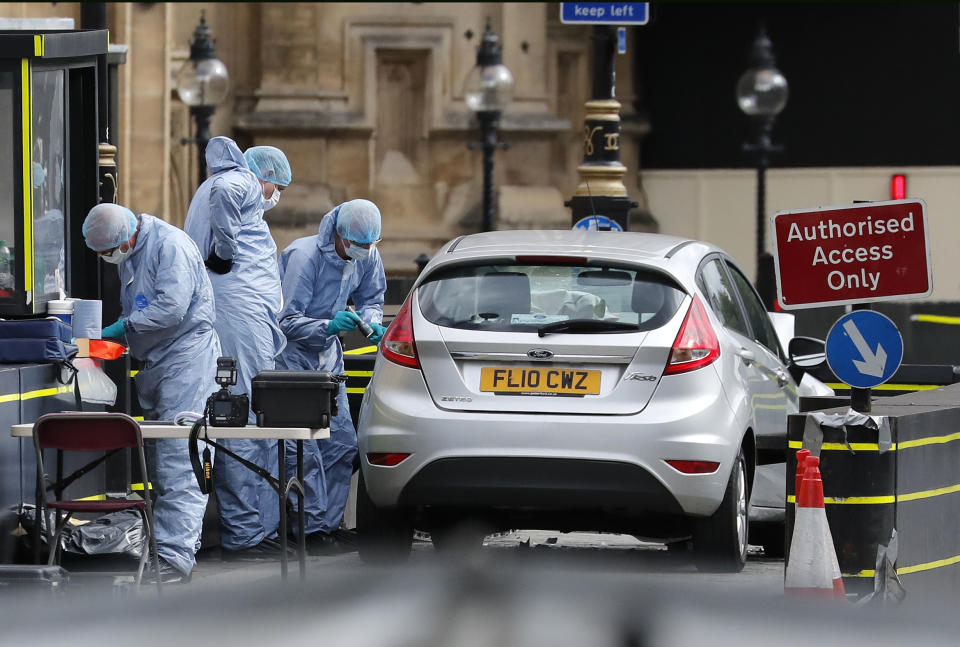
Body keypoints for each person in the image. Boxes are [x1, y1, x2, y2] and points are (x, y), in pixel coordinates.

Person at [82, 203, 221, 584]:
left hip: (186, 362)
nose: (108, 259)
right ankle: (166, 550)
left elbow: (172, 309)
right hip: (160, 363)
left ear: (125, 237)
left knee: (182, 459)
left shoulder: (170, 246)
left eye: (107, 252)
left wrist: (122, 328)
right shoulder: (134, 251)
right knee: (162, 464)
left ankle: (175, 560)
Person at [184, 137, 291, 560]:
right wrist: (225, 251)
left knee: (236, 415)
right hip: (241, 318)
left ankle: (247, 530)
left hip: (236, 314)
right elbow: (231, 195)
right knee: (245, 420)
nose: (275, 195)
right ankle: (245, 535)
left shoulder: (213, 187)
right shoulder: (240, 181)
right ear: (263, 176)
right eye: (276, 186)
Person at [276, 199, 386, 552]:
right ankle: (307, 531)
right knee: (303, 448)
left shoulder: (366, 253)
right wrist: (328, 325)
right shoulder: (304, 257)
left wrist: (370, 320)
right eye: (358, 245)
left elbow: (372, 296)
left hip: (328, 361)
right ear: (339, 235)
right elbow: (286, 321)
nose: (364, 252)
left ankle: (326, 526)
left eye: (370, 246)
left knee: (341, 444)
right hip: (292, 362)